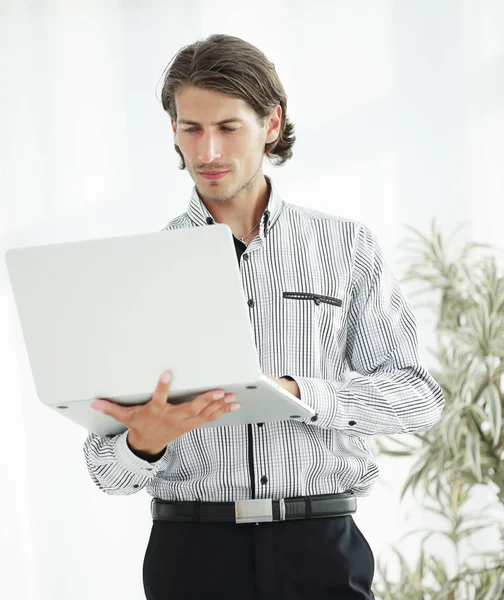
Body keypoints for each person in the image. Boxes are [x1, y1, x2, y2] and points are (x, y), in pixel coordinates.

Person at [84, 33, 445, 600]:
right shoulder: (139, 269)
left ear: (271, 124)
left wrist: (300, 392)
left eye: (228, 128)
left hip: (322, 546)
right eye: (191, 129)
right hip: (191, 555)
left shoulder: (344, 246)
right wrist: (142, 443)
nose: (206, 153)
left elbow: (417, 398)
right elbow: (105, 471)